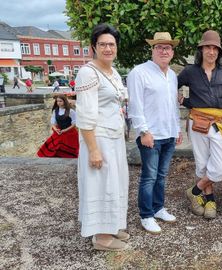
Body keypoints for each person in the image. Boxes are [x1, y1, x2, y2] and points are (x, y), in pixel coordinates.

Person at [75, 23, 130, 251]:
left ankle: (112, 225)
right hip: (98, 139)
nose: (108, 48)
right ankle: (101, 237)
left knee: (115, 183)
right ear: (93, 47)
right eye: (103, 44)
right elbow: (85, 115)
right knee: (101, 185)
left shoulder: (113, 72)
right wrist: (93, 149)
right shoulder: (88, 73)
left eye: (111, 44)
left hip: (115, 138)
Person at [178, 30, 222, 219]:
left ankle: (194, 191)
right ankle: (210, 200)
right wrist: (183, 101)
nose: (211, 51)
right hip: (197, 121)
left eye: (215, 48)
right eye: (208, 47)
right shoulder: (190, 71)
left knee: (220, 167)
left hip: (218, 123)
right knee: (202, 164)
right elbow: (170, 86)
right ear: (201, 49)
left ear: (219, 51)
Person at [127, 32, 183, 234]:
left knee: (161, 175)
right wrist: (143, 131)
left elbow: (172, 105)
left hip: (168, 133)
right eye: (159, 47)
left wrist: (177, 128)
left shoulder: (172, 75)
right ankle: (146, 215)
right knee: (149, 176)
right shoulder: (139, 72)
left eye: (167, 47)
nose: (163, 51)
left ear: (172, 52)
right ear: (152, 50)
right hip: (150, 134)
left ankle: (158, 208)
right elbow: (135, 105)